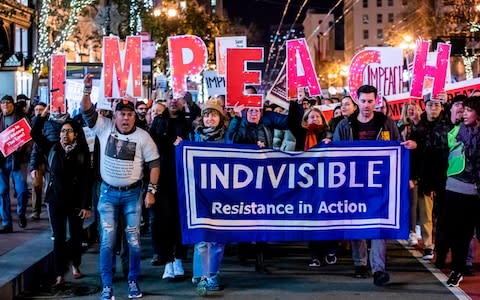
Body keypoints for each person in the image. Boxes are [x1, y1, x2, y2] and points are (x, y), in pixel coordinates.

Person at [81, 74, 160, 300]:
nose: (125, 118)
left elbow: (155, 163)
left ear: (135, 116)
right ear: (114, 115)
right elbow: (87, 111)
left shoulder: (144, 137)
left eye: (129, 114)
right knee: (107, 240)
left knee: (133, 241)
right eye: (122, 114)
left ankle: (133, 281)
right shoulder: (104, 127)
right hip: (107, 194)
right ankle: (107, 285)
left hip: (133, 195)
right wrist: (88, 89)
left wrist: (151, 191)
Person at [333, 85, 416, 286]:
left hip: (380, 184)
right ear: (357, 101)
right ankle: (360, 263)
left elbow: (397, 147)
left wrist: (407, 149)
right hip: (353, 184)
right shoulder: (345, 125)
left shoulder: (385, 122)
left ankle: (379, 269)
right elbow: (336, 151)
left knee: (379, 225)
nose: (367, 105)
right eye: (363, 101)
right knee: (357, 222)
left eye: (371, 101)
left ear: (375, 101)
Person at [226, 86, 290, 274]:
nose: (254, 113)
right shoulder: (238, 122)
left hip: (264, 178)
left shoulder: (266, 123)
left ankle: (260, 259)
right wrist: (237, 119)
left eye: (257, 110)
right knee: (244, 216)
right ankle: (243, 251)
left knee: (263, 217)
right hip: (243, 180)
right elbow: (231, 142)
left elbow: (290, 122)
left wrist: (289, 101)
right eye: (250, 110)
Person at [30, 108, 91, 287]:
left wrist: (86, 205)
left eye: (69, 131)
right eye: (63, 131)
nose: (65, 134)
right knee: (59, 236)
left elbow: (87, 178)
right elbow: (34, 133)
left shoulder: (82, 151)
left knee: (76, 234)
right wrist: (41, 117)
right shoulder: (52, 148)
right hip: (55, 200)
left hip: (75, 201)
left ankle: (76, 265)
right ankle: (59, 273)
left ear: (76, 134)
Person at [185, 100, 228, 294]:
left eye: (214, 115)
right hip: (199, 194)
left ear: (221, 118)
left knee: (217, 237)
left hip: (221, 194)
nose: (210, 118)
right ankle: (201, 273)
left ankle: (212, 274)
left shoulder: (228, 138)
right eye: (207, 115)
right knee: (201, 237)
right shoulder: (194, 137)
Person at [149, 91, 193, 280]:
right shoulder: (158, 122)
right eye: (170, 98)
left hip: (185, 179)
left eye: (178, 98)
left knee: (181, 220)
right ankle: (167, 260)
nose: (174, 101)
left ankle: (179, 258)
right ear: (165, 102)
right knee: (164, 220)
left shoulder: (189, 122)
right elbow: (151, 149)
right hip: (164, 179)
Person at [288, 101, 337, 267]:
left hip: (327, 182)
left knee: (328, 216)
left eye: (317, 116)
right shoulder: (302, 134)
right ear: (305, 120)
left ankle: (330, 250)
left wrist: (332, 143)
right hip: (307, 183)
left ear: (323, 119)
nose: (314, 119)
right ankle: (315, 254)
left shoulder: (329, 135)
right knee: (311, 218)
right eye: (311, 117)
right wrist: (295, 101)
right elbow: (291, 122)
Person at [442, 96, 480, 287]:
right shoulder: (458, 130)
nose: (464, 113)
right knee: (458, 233)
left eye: (468, 110)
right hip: (455, 188)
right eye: (462, 109)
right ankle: (457, 269)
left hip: (476, 192)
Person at [411, 94, 450, 261]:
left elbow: (439, 141)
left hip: (444, 176)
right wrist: (413, 176)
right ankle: (428, 245)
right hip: (425, 175)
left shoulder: (447, 123)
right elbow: (415, 151)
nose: (433, 108)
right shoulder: (418, 125)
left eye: (437, 105)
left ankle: (441, 246)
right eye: (430, 105)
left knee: (443, 214)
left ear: (441, 107)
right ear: (424, 107)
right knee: (426, 214)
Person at [0, 95, 30, 233]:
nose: (6, 104)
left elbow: (30, 138)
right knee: (2, 192)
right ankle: (7, 223)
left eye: (8, 102)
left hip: (18, 160)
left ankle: (21, 212)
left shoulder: (21, 120)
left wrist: (23, 147)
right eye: (3, 102)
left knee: (22, 190)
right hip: (1, 161)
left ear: (13, 104)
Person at [29, 102, 47, 220]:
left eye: (41, 109)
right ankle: (36, 211)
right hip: (38, 160)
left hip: (49, 160)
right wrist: (33, 166)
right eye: (36, 109)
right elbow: (34, 147)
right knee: (36, 186)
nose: (38, 111)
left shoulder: (49, 122)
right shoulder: (32, 123)